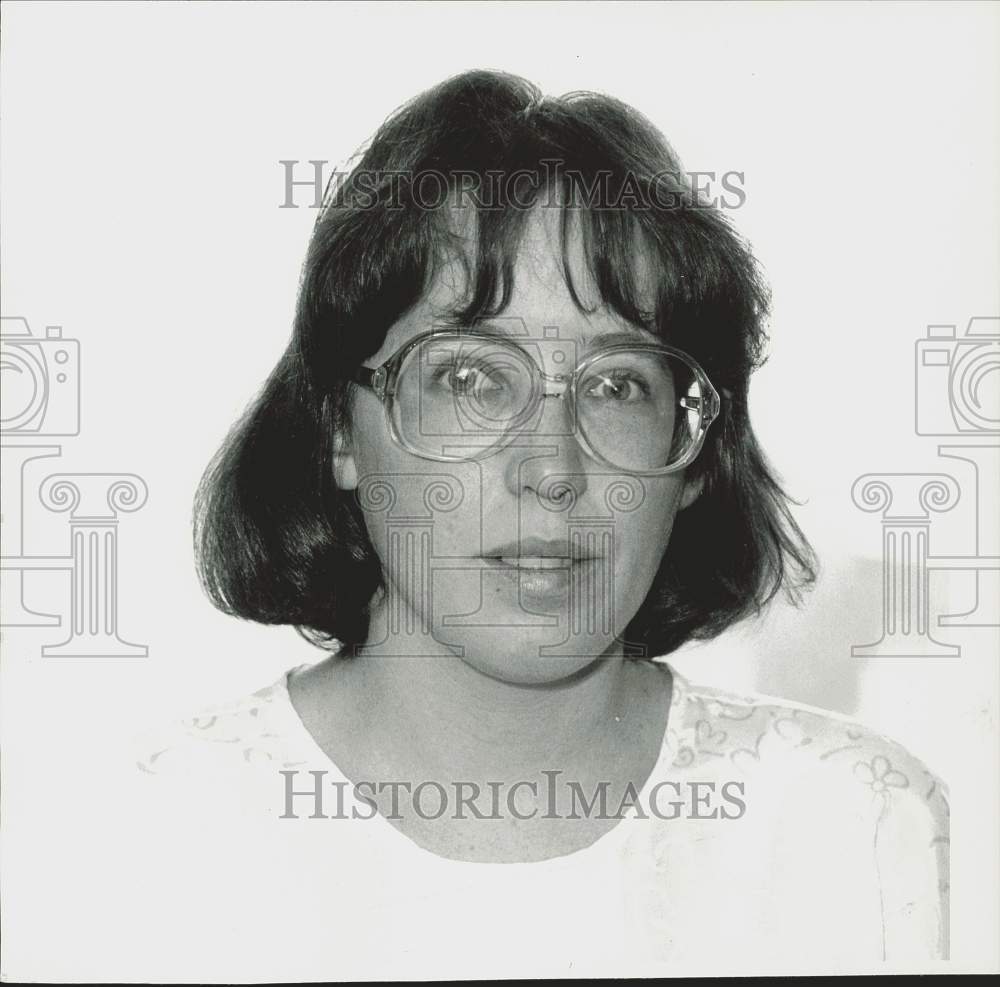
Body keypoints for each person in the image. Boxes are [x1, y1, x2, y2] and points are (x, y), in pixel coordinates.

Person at [133, 70, 948, 978]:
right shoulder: (140, 839)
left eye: (618, 384)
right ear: (340, 429)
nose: (553, 469)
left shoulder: (860, 823)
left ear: (690, 449)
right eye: (472, 379)